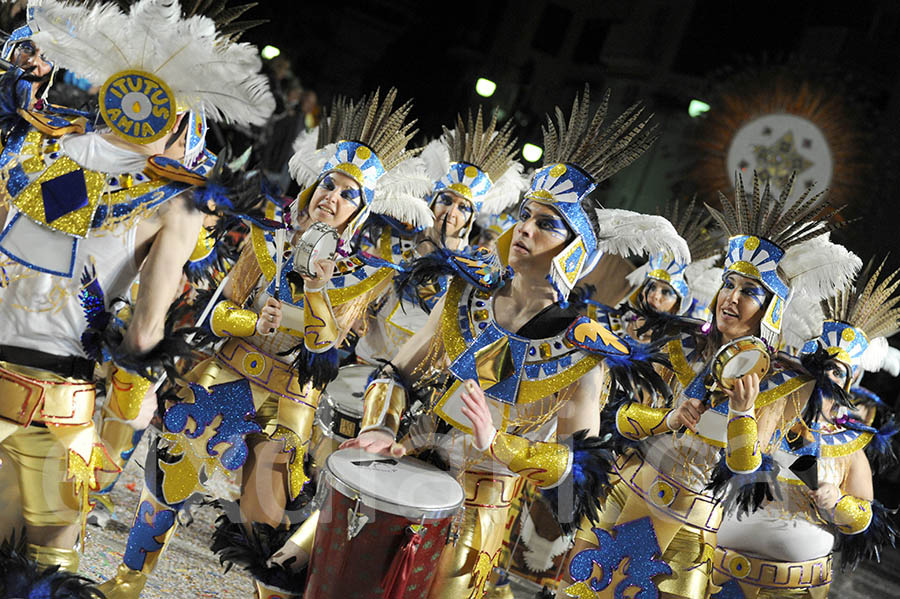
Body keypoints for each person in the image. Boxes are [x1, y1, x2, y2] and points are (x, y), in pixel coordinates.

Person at [342, 86, 689, 599]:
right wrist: (378, 424)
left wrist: (496, 444)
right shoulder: (463, 289)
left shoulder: (584, 352)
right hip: (405, 467)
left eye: (546, 224)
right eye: (526, 215)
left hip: (481, 512)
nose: (525, 228)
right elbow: (396, 372)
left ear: (576, 251)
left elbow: (580, 469)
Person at [100, 88, 429, 599]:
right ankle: (126, 582)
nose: (332, 197)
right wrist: (252, 323)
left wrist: (317, 289)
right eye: (329, 185)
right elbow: (216, 310)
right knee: (168, 475)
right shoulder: (266, 234)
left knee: (265, 519)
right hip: (225, 370)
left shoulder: (364, 276)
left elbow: (324, 356)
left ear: (357, 214)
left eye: (346, 194)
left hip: (290, 398)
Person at [0, 0, 273, 588]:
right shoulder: (178, 203)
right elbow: (145, 336)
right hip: (55, 413)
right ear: (179, 121)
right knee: (41, 576)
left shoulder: (33, 146)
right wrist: (130, 409)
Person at [557, 172, 861, 599]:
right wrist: (668, 418)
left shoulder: (785, 388)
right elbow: (623, 420)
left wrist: (742, 415)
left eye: (750, 292)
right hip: (624, 496)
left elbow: (749, 464)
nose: (731, 298)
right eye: (730, 285)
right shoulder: (679, 346)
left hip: (694, 530)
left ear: (771, 310)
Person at [710, 257, 900, 599]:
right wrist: (742, 413)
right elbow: (738, 463)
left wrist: (837, 501)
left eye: (837, 372)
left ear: (850, 381)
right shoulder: (773, 412)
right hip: (724, 571)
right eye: (822, 367)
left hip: (797, 585)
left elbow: (865, 518)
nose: (827, 377)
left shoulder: (849, 445)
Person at [354, 106, 526, 366]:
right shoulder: (395, 240)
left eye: (463, 207)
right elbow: (363, 287)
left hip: (415, 370)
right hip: (368, 354)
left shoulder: (474, 269)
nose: (451, 211)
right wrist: (357, 310)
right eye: (446, 200)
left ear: (471, 217)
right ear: (433, 202)